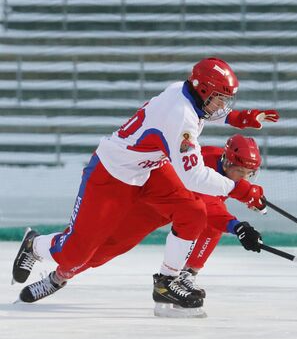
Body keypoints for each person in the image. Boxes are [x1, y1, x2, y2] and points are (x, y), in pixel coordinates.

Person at [12, 57, 279, 309]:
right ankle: (35, 245)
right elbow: (193, 176)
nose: (222, 106)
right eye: (219, 99)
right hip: (111, 176)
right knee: (75, 254)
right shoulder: (181, 117)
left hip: (150, 169)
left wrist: (238, 118)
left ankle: (166, 282)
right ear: (202, 90)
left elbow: (204, 114)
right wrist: (241, 189)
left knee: (193, 211)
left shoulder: (185, 93)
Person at [69, 134, 265, 318]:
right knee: (104, 249)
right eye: (240, 172)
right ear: (227, 161)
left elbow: (222, 199)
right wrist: (237, 227)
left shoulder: (225, 167)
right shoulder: (205, 165)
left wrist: (250, 196)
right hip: (151, 205)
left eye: (250, 174)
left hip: (179, 210)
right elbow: (208, 204)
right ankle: (59, 266)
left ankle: (187, 275)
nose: (244, 179)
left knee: (210, 225)